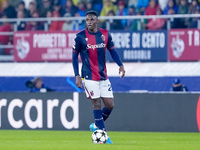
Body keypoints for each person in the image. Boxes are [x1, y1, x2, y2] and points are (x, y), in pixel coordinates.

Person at [72, 10, 125, 144]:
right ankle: (104, 136)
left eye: (91, 20)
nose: (89, 22)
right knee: (96, 103)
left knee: (110, 104)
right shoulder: (79, 37)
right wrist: (77, 75)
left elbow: (112, 51)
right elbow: (74, 56)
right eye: (87, 20)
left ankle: (96, 126)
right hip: (88, 76)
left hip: (103, 75)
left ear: (97, 21)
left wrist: (120, 65)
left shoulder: (105, 34)